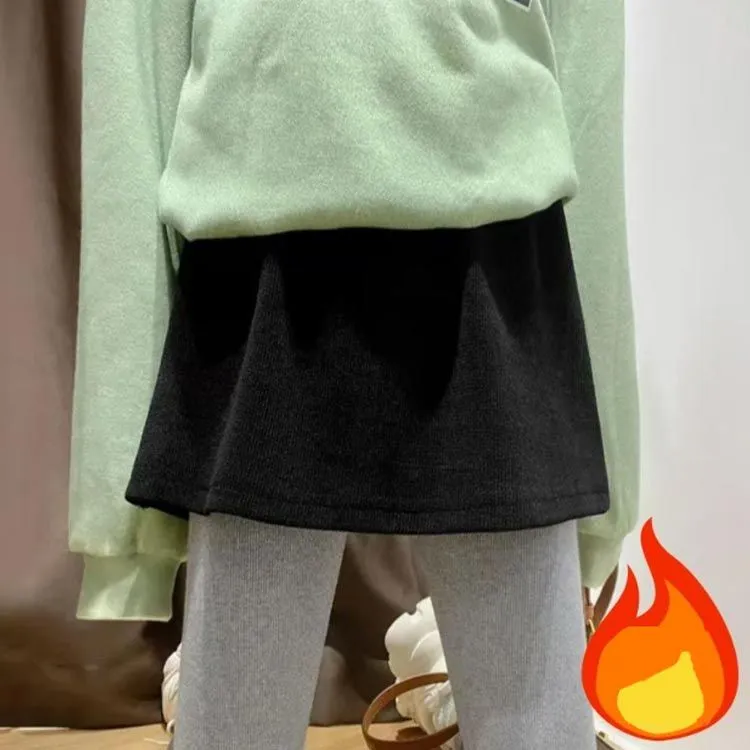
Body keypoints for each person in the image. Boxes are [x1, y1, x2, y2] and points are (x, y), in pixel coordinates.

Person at [70, 1, 639, 748]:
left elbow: (588, 73)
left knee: (535, 725)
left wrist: (603, 502)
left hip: (491, 235)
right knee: (236, 721)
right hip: (259, 239)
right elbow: (133, 61)